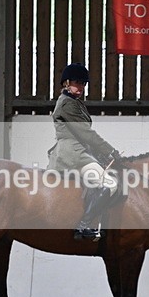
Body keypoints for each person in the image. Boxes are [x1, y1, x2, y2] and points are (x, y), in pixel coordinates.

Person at [47, 63, 121, 241]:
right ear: (65, 83)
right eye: (76, 82)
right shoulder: (67, 104)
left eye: (83, 83)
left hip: (78, 150)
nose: (80, 87)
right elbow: (85, 133)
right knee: (110, 184)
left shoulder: (75, 102)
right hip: (73, 154)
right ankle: (84, 225)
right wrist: (110, 150)